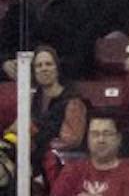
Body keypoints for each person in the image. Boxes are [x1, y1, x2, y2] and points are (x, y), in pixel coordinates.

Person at [27, 46, 87, 185]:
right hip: (35, 158)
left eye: (49, 64)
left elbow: (71, 140)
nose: (44, 69)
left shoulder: (73, 101)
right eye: (39, 65)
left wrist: (37, 144)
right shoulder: (31, 99)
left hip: (63, 164)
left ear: (57, 68)